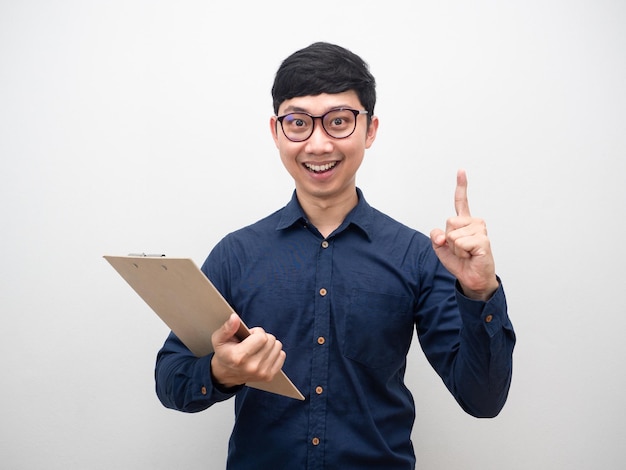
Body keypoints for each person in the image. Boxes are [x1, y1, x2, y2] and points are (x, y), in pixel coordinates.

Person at [155, 41, 515, 469]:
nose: (319, 144)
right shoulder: (236, 254)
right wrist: (220, 372)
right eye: (299, 123)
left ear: (370, 129)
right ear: (276, 132)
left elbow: (483, 399)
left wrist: (478, 291)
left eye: (339, 122)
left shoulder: (416, 255)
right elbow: (170, 380)